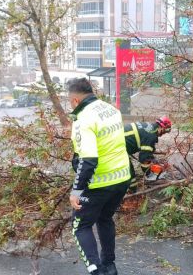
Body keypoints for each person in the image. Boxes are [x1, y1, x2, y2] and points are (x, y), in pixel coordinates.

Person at [68, 78, 131, 275]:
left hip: (98, 183)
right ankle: (109, 266)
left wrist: (76, 191)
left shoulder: (83, 120)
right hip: (121, 179)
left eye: (69, 101)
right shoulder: (111, 109)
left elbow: (88, 161)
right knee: (105, 218)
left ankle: (97, 272)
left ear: (75, 101)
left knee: (81, 226)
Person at [124, 117, 172, 187]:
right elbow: (144, 158)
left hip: (118, 142)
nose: (163, 134)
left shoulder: (150, 127)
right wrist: (149, 173)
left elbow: (147, 149)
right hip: (117, 147)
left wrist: (152, 158)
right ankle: (132, 193)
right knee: (130, 176)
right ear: (161, 127)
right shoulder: (151, 135)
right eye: (165, 131)